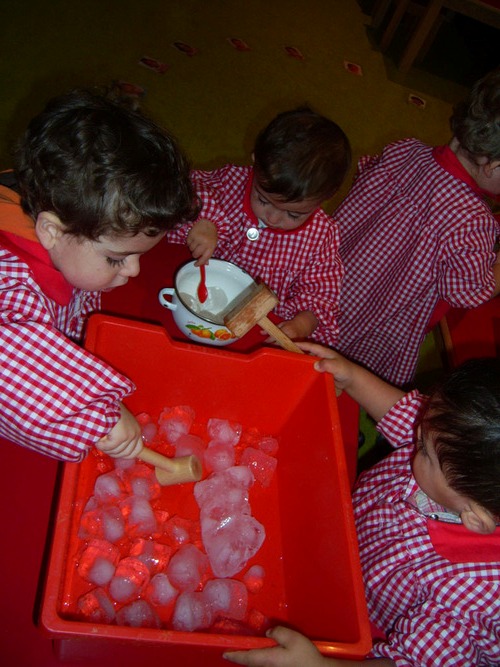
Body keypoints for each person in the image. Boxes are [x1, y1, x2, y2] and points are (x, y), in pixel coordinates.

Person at [224, 347, 500, 667]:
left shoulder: (476, 593)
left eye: (423, 449)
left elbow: (412, 661)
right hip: (346, 527)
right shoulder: (453, 452)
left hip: (360, 616)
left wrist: (321, 666)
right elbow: (407, 413)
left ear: (474, 518)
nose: (416, 433)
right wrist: (353, 377)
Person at [0, 89, 198, 462]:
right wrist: (97, 416)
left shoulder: (63, 213)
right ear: (52, 231)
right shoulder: (11, 282)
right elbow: (9, 360)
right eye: (115, 259)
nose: (134, 270)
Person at [333, 67, 500, 387]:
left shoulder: (404, 149)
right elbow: (467, 291)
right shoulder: (473, 221)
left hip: (330, 286)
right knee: (350, 383)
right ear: (492, 163)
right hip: (374, 328)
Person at [165, 107, 351, 346]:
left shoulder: (321, 236)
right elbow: (186, 189)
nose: (272, 218)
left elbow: (321, 294)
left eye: (293, 214)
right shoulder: (232, 181)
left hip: (256, 331)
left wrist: (302, 323)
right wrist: (204, 219)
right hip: (190, 297)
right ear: (255, 164)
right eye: (263, 200)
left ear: (326, 197)